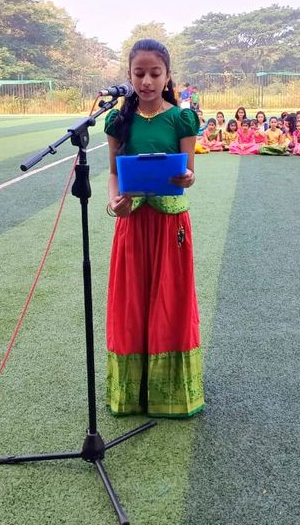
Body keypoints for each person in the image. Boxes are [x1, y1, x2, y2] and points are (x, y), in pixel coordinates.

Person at [103, 39, 204, 418]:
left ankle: (172, 394)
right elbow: (114, 174)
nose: (146, 81)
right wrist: (115, 203)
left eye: (154, 73)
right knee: (131, 302)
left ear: (167, 76)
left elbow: (190, 173)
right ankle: (133, 395)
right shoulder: (117, 120)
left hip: (170, 223)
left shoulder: (182, 118)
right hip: (132, 223)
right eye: (139, 73)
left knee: (171, 302)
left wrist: (186, 177)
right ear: (128, 76)